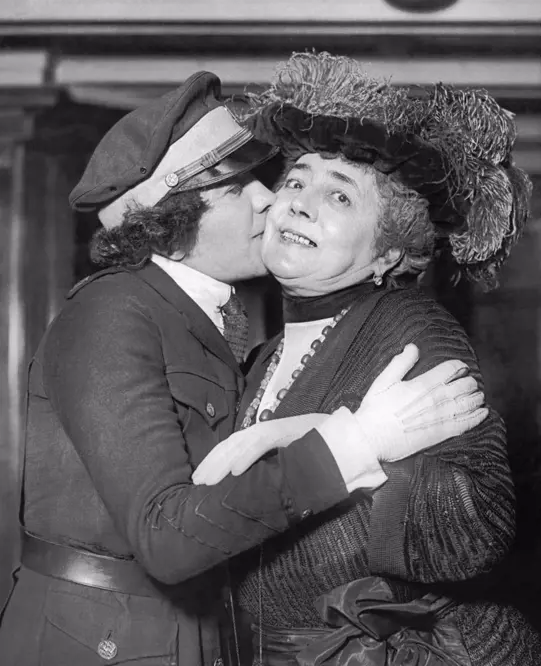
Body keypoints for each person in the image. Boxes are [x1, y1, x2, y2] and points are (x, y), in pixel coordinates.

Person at [0, 71, 486, 666]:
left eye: (266, 179)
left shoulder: (213, 322)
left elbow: (469, 517)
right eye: (236, 188)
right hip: (105, 641)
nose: (270, 198)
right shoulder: (114, 310)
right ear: (171, 220)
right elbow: (168, 538)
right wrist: (350, 441)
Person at [192, 52, 541, 664]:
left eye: (341, 197)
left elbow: (476, 526)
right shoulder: (266, 350)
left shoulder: (413, 329)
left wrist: (335, 436)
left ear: (387, 254)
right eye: (295, 181)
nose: (299, 203)